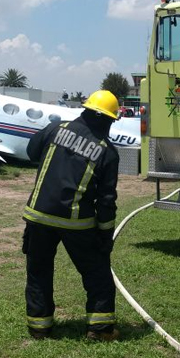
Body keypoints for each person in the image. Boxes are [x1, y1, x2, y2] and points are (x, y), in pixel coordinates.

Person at [22, 90, 121, 341]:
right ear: (107, 120)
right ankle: (100, 329)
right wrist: (105, 236)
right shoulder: (106, 151)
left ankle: (39, 328)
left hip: (38, 215)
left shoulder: (55, 129)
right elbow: (107, 200)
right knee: (97, 273)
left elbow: (31, 151)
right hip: (76, 222)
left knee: (38, 271)